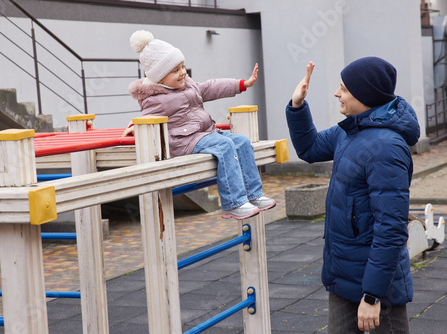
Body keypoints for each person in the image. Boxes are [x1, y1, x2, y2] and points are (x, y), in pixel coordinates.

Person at [286, 57, 419, 333]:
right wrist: (297, 106)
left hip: (378, 290)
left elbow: (391, 228)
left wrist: (372, 295)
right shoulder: (350, 131)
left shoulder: (386, 147)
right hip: (343, 276)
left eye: (343, 88)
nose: (337, 93)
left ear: (365, 95)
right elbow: (309, 148)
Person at [123, 30, 275, 220]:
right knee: (225, 145)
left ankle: (254, 194)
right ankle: (233, 203)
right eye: (175, 70)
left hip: (205, 133)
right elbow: (144, 116)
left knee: (243, 141)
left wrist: (241, 84)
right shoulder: (157, 99)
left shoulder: (189, 85)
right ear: (160, 78)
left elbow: (211, 87)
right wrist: (132, 126)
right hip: (184, 140)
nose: (183, 73)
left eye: (183, 66)